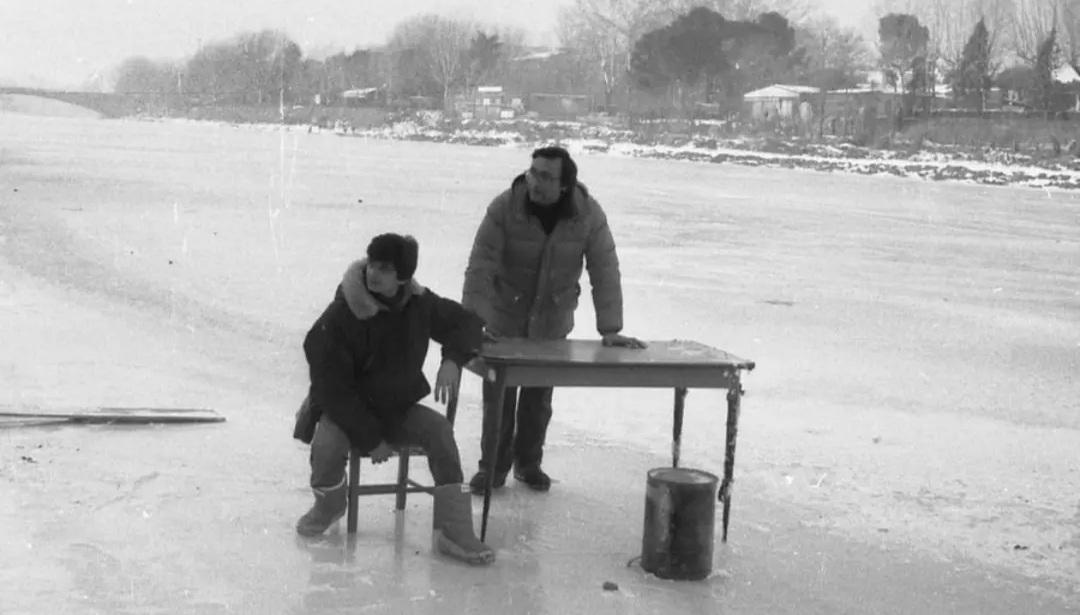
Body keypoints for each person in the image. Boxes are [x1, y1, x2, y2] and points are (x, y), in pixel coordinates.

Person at [295, 233, 494, 566]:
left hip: (396, 408)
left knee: (440, 432)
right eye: (372, 263)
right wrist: (370, 438)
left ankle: (455, 531)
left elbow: (466, 323)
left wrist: (453, 359)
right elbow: (331, 388)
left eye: (384, 268)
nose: (374, 273)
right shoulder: (343, 311)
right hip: (344, 411)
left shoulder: (418, 304)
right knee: (327, 447)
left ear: (402, 276)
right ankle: (328, 506)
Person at [462, 146, 645, 494]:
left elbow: (604, 270)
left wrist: (611, 329)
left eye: (546, 176)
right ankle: (493, 468)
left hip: (552, 320)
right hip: (506, 317)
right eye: (533, 172)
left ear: (564, 185)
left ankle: (528, 464)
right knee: (499, 398)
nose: (535, 181)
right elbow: (481, 266)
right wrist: (472, 321)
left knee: (539, 398)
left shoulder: (587, 214)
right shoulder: (504, 208)